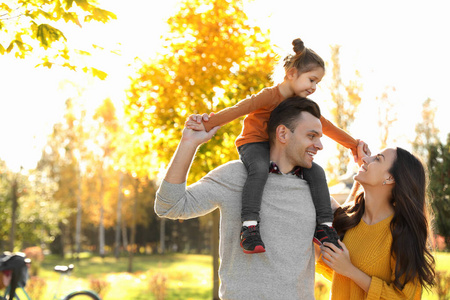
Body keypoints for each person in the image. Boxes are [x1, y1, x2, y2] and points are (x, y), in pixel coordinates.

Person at [186, 37, 370, 254]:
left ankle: (324, 227)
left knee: (317, 173)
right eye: (311, 80)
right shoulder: (269, 95)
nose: (314, 87)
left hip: (278, 148)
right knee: (260, 168)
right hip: (254, 143)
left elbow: (325, 125)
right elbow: (240, 108)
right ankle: (249, 226)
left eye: (317, 83)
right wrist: (207, 123)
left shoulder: (302, 104)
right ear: (291, 74)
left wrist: (352, 144)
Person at [156, 97, 330, 299]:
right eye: (311, 136)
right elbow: (169, 206)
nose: (320, 145)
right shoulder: (235, 176)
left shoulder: (316, 190)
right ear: (282, 133)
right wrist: (188, 143)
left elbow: (355, 226)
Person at [315, 144, 436, 299]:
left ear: (390, 178)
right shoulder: (349, 220)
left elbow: (405, 297)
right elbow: (339, 276)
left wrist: (350, 270)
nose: (366, 158)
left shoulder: (402, 233)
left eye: (378, 159)